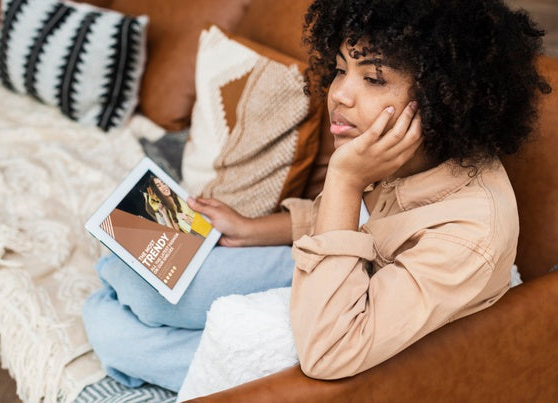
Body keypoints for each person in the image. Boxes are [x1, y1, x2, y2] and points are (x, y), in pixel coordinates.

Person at [82, 0, 550, 391]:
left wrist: (345, 180)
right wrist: (254, 228)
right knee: (126, 263)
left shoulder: (469, 233)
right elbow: (358, 218)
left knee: (111, 318)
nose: (339, 94)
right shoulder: (402, 149)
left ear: (445, 97)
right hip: (331, 264)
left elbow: (331, 350)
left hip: (338, 325)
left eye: (373, 78)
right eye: (342, 68)